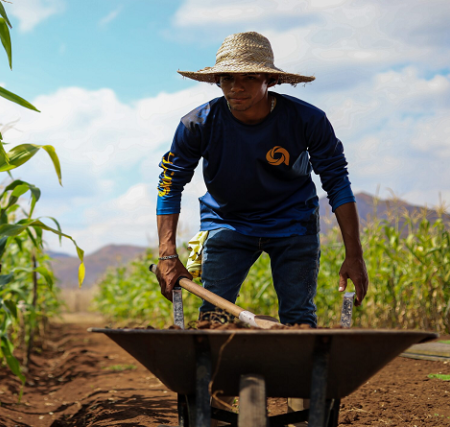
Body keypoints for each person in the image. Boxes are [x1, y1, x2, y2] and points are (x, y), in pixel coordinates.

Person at [155, 31, 369, 327]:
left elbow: (337, 183)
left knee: (299, 318)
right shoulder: (197, 125)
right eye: (228, 78)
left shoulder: (307, 120)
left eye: (250, 78)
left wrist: (354, 255)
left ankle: (301, 372)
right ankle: (212, 373)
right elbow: (169, 184)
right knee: (213, 318)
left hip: (293, 221)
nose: (236, 87)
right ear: (217, 81)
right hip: (226, 221)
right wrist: (167, 254)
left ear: (271, 80)